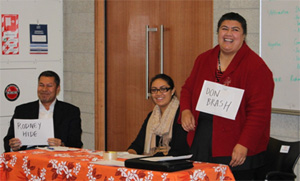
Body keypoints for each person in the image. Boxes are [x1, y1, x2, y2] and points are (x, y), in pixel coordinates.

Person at [179, 12, 274, 180]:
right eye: (224, 28)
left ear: (243, 36)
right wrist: (186, 110)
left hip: (236, 145)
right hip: (202, 142)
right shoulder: (203, 59)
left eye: (235, 30)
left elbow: (259, 113)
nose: (229, 34)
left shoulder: (256, 67)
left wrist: (244, 144)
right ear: (218, 33)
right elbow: (188, 89)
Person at [4, 70, 83, 152]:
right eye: (41, 85)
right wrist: (13, 146)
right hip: (28, 156)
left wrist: (62, 145)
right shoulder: (22, 110)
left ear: (57, 89)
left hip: (56, 157)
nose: (44, 89)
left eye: (49, 86)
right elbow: (8, 140)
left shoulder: (70, 112)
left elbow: (76, 144)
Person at [128, 74, 190, 156]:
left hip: (174, 164)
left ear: (172, 91)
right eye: (154, 90)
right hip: (155, 164)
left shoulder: (181, 114)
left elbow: (180, 150)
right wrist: (128, 154)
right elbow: (138, 145)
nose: (158, 93)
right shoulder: (151, 116)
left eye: (163, 89)